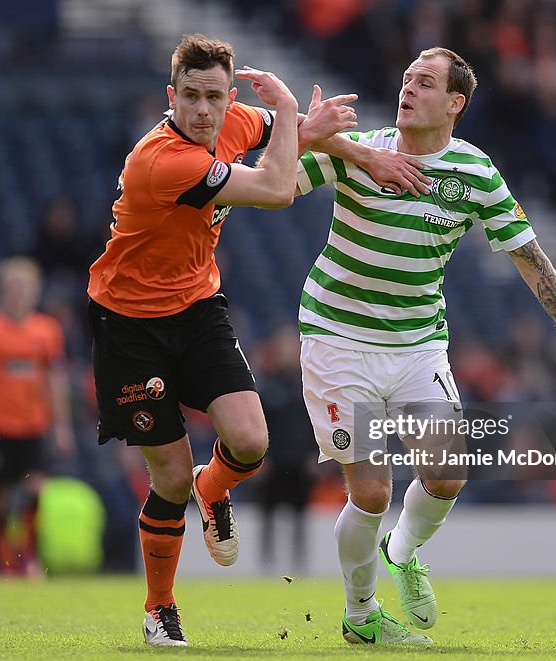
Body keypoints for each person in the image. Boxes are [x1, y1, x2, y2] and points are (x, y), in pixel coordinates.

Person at [295, 47, 556, 646]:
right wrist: (312, 137)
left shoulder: (475, 172)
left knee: (447, 471)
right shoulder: (359, 148)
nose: (409, 88)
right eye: (406, 79)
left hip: (419, 342)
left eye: (425, 83)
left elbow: (531, 258)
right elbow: (275, 180)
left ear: (455, 104)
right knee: (371, 491)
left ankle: (403, 552)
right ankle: (361, 615)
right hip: (339, 337)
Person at [86, 33, 360, 647]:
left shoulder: (234, 120)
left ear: (229, 94)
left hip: (199, 309)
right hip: (131, 327)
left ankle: (215, 489)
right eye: (191, 97)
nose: (204, 110)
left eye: (214, 96)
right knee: (171, 478)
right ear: (171, 96)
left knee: (251, 442)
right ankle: (160, 608)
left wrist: (354, 149)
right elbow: (276, 189)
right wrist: (291, 113)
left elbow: (296, 136)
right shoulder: (162, 161)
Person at [0, 257, 74, 577]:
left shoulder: (47, 330)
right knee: (0, 496)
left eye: (26, 287)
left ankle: (28, 556)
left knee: (36, 488)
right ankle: (5, 561)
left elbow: (56, 380)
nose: (19, 293)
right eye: (13, 287)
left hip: (34, 424)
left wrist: (62, 427)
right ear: (3, 291)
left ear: (35, 291)